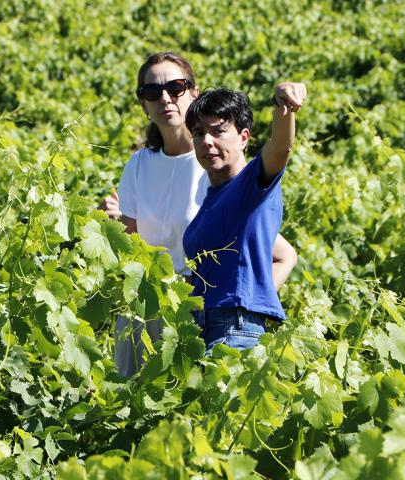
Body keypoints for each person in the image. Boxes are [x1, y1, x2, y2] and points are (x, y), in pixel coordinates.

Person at [102, 52, 298, 375]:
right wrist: (113, 226)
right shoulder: (154, 171)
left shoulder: (232, 177)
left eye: (176, 87)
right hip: (166, 312)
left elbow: (278, 152)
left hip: (215, 322)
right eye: (152, 92)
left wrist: (243, 303)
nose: (165, 98)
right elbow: (132, 247)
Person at [183, 85, 307, 354]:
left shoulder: (250, 184)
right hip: (202, 328)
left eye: (217, 131)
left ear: (243, 137)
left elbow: (280, 148)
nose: (206, 141)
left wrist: (282, 107)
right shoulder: (213, 199)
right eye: (199, 133)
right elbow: (286, 255)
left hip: (232, 330)